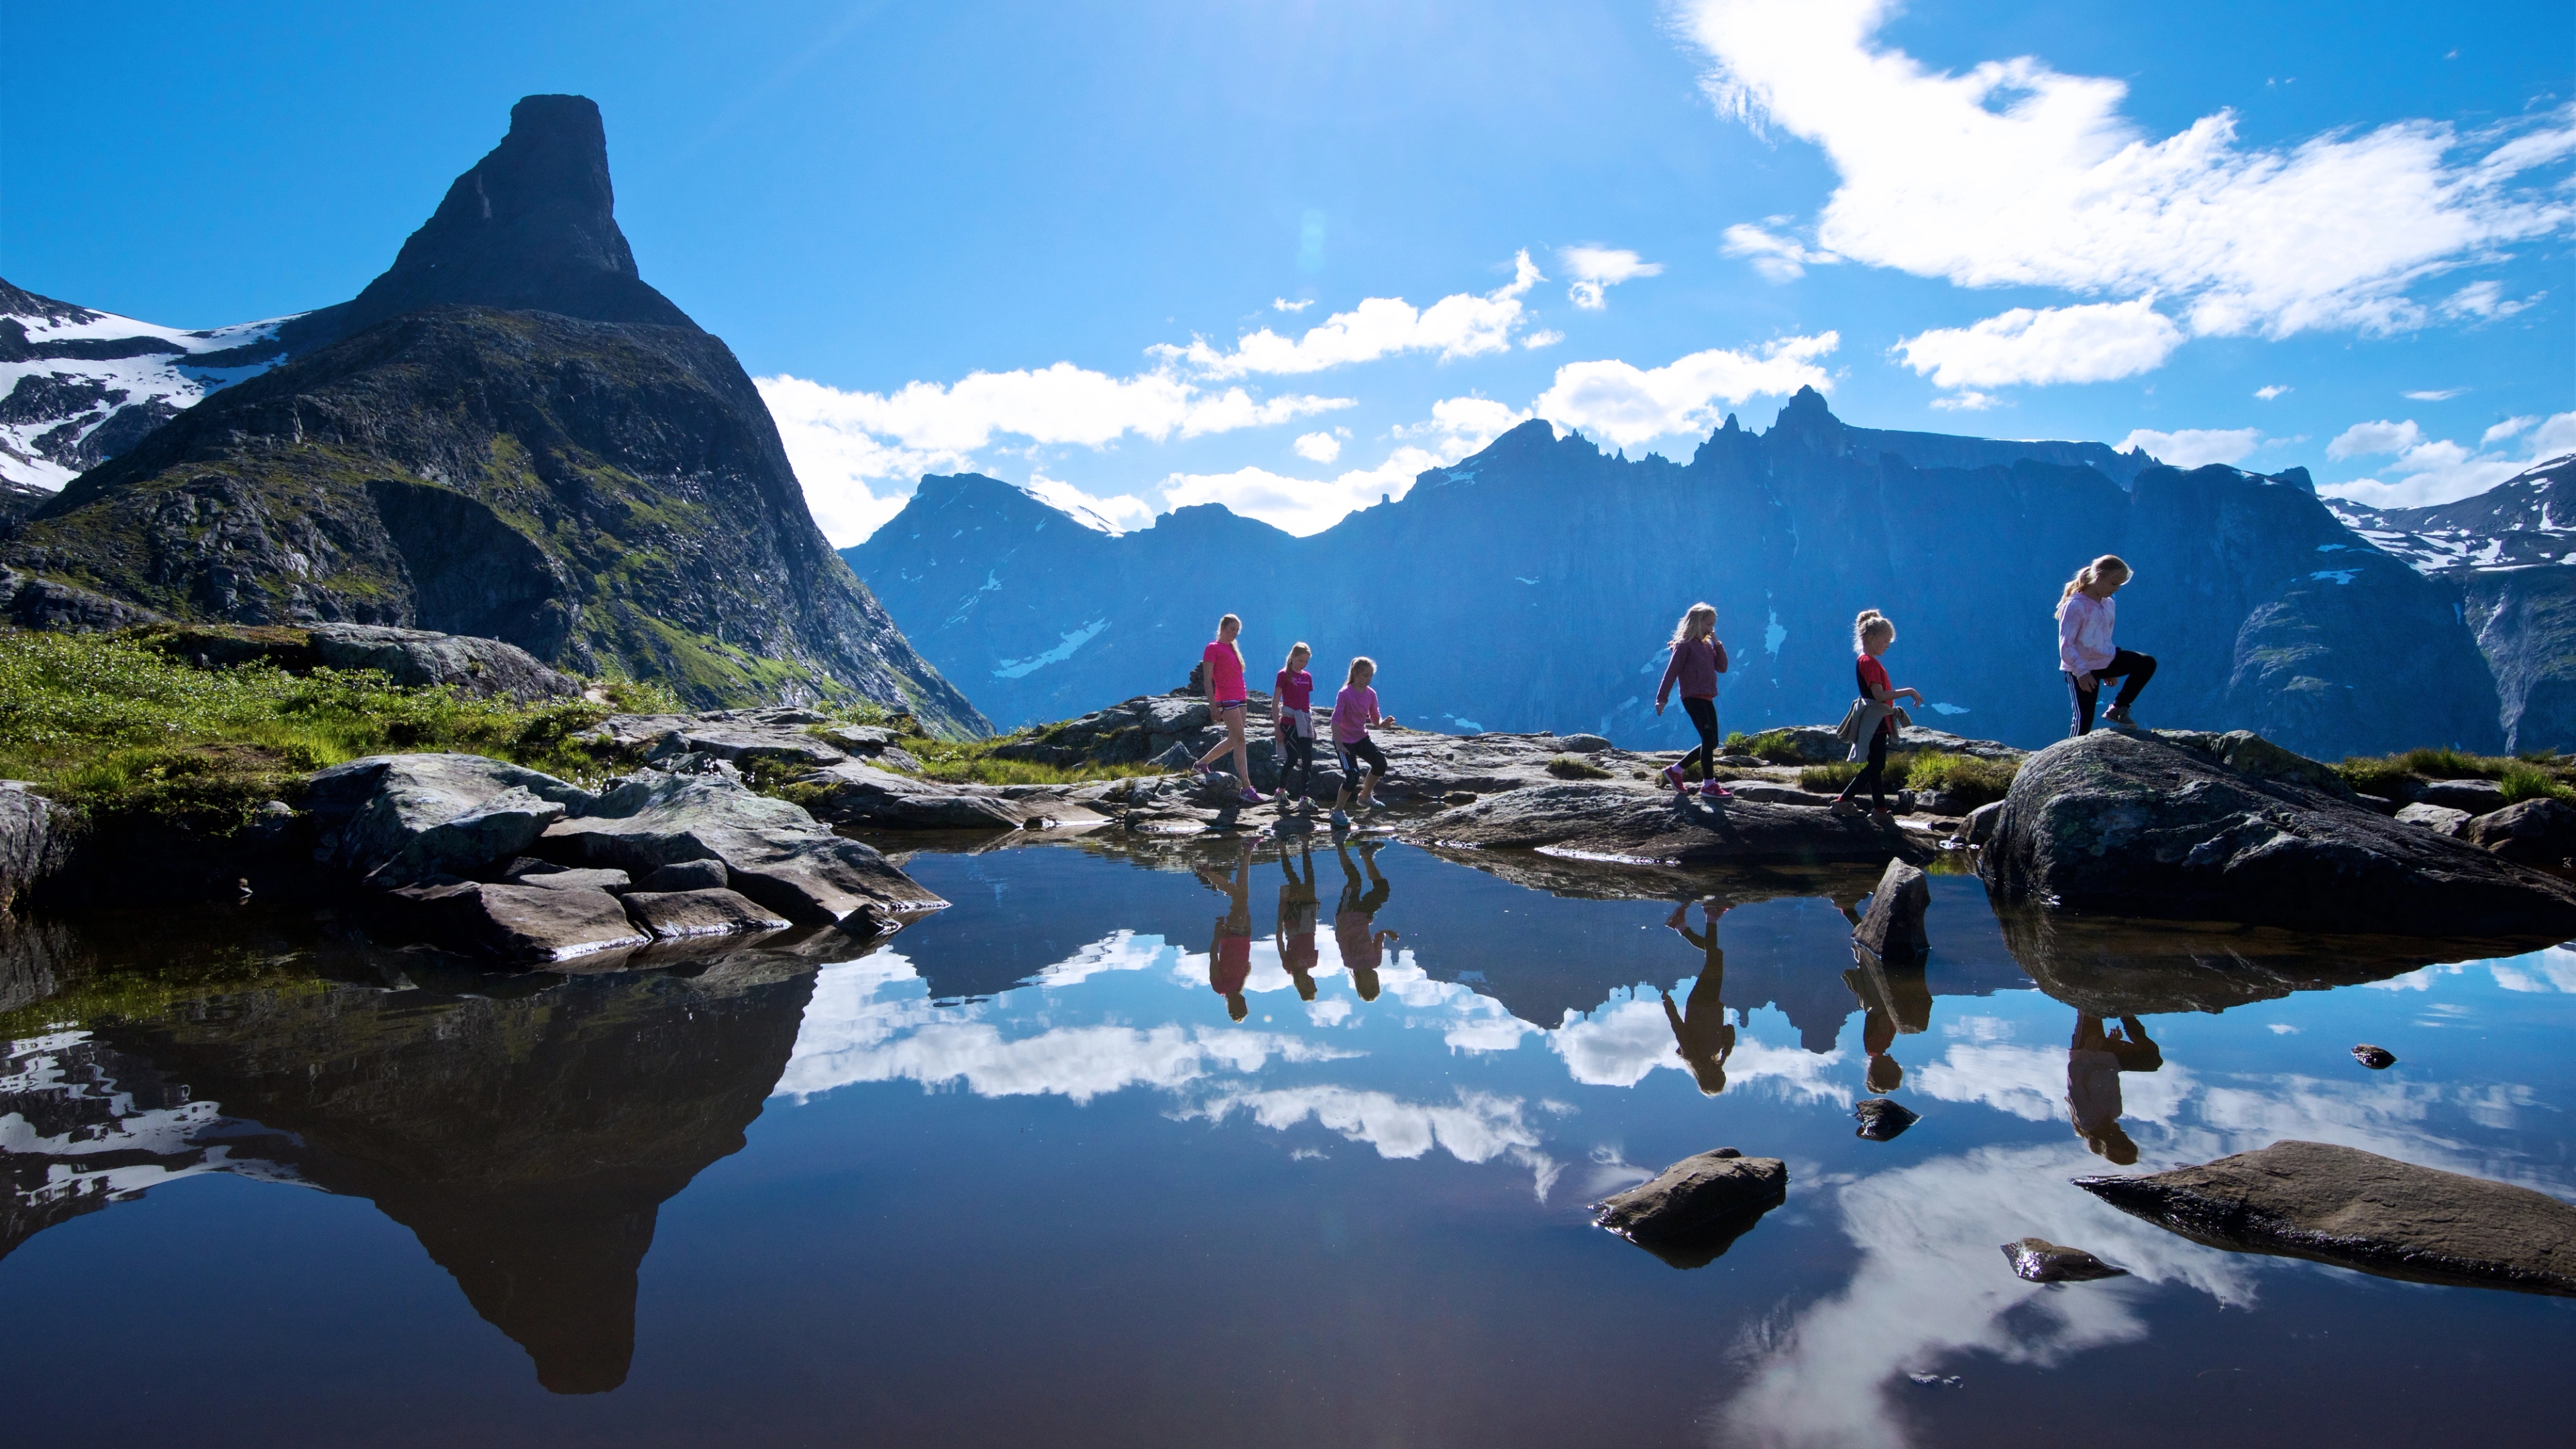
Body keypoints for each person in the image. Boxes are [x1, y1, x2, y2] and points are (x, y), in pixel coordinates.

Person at [1832, 610, 1922, 819]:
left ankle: (1881, 810)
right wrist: (1909, 691)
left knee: (1876, 765)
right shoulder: (1869, 663)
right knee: (1877, 765)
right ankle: (1843, 801)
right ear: (1872, 638)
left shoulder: (1866, 660)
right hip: (1875, 721)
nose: (1888, 645)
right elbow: (1879, 695)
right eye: (1885, 640)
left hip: (1876, 720)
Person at [2058, 554, 2155, 735]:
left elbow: (2104, 636)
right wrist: (2082, 673)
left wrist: (2109, 660)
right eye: (2113, 583)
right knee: (2083, 719)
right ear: (2099, 577)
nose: (2116, 589)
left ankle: (2118, 708)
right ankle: (2068, 758)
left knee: (2147, 662)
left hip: (2104, 661)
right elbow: (2066, 646)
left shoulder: (2108, 603)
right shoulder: (2075, 606)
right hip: (2081, 669)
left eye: (2120, 584)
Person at [1654, 602, 1732, 799]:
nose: (1711, 629)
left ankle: (1676, 771)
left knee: (1712, 741)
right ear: (1697, 623)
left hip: (1707, 696)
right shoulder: (1684, 645)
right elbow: (1671, 673)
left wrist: (1717, 644)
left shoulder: (1706, 646)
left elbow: (1722, 668)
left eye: (1713, 625)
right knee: (1708, 739)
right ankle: (1709, 785)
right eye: (1708, 625)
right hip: (1692, 697)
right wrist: (1661, 699)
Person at [1660, 900, 1737, 1095]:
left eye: (1719, 1074)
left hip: (1701, 1004)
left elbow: (1679, 1029)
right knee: (1716, 954)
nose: (1721, 1070)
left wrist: (1668, 1005)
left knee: (1715, 956)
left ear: (1710, 1076)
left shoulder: (1693, 1056)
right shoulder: (1713, 1054)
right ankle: (1680, 925)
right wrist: (1726, 1051)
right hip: (1712, 1003)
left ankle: (1711, 915)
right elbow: (1729, 1029)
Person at [2066, 1012, 2163, 1165]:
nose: (2125, 1135)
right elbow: (2111, 1077)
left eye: (2124, 1140)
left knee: (2088, 1010)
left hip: (2085, 1052)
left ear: (2112, 1141)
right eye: (2128, 1140)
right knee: (2152, 1060)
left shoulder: (2087, 1118)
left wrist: (2088, 1052)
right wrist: (2112, 1044)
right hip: (2107, 1058)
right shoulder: (2115, 1112)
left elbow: (2074, 1075)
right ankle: (2127, 1014)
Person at [1192, 613, 1266, 804]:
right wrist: (1212, 705)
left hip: (1240, 697)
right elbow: (1208, 679)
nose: (1235, 633)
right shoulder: (1212, 648)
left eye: (1237, 631)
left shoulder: (1233, 649)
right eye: (1232, 629)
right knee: (1240, 740)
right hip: (1226, 698)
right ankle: (1247, 788)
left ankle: (1201, 764)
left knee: (1234, 740)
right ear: (1223, 628)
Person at [1196, 838, 1258, 1022]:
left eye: (1240, 1006)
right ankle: (1209, 872)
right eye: (1245, 1005)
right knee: (1241, 894)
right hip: (1245, 934)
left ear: (1232, 1007)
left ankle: (1247, 851)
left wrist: (1217, 935)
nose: (1243, 1002)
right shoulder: (1241, 984)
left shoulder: (1219, 986)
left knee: (1241, 895)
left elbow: (1213, 958)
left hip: (1232, 935)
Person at [1330, 656, 1395, 828]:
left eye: (1371, 676)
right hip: (1344, 741)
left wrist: (1382, 724)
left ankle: (1365, 797)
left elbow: (1374, 717)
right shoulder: (1345, 693)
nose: (1369, 679)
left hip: (1360, 737)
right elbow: (1335, 720)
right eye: (1366, 675)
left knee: (1380, 763)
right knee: (1352, 775)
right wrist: (1339, 745)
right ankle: (1337, 811)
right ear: (1356, 674)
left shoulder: (1371, 694)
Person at [1332, 838, 1396, 1003]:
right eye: (1375, 983)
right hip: (1364, 916)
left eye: (1370, 984)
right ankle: (1366, 855)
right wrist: (1388, 933)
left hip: (1347, 914)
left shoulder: (1350, 962)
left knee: (1355, 880)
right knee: (1382, 891)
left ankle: (1339, 845)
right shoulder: (1376, 962)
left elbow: (1340, 938)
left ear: (1360, 983)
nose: (1373, 980)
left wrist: (1346, 921)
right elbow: (1378, 937)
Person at [1274, 642, 1318, 810]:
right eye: (1300, 660)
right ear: (1292, 657)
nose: (1303, 664)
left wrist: (1312, 727)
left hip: (1304, 722)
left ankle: (1304, 798)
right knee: (1292, 758)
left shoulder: (1307, 677)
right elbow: (1275, 701)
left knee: (1308, 760)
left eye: (1306, 661)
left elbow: (1306, 704)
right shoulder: (1284, 675)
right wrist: (1277, 728)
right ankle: (1281, 791)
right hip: (1289, 723)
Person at [1276, 842, 1321, 1002]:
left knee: (1293, 880)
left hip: (1293, 921)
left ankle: (1282, 850)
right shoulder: (1313, 963)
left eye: (1308, 985)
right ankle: (1305, 846)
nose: (1310, 981)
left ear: (1300, 986)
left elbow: (1281, 944)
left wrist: (1279, 921)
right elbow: (1312, 938)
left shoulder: (1289, 967)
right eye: (1313, 984)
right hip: (1309, 920)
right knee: (1310, 879)